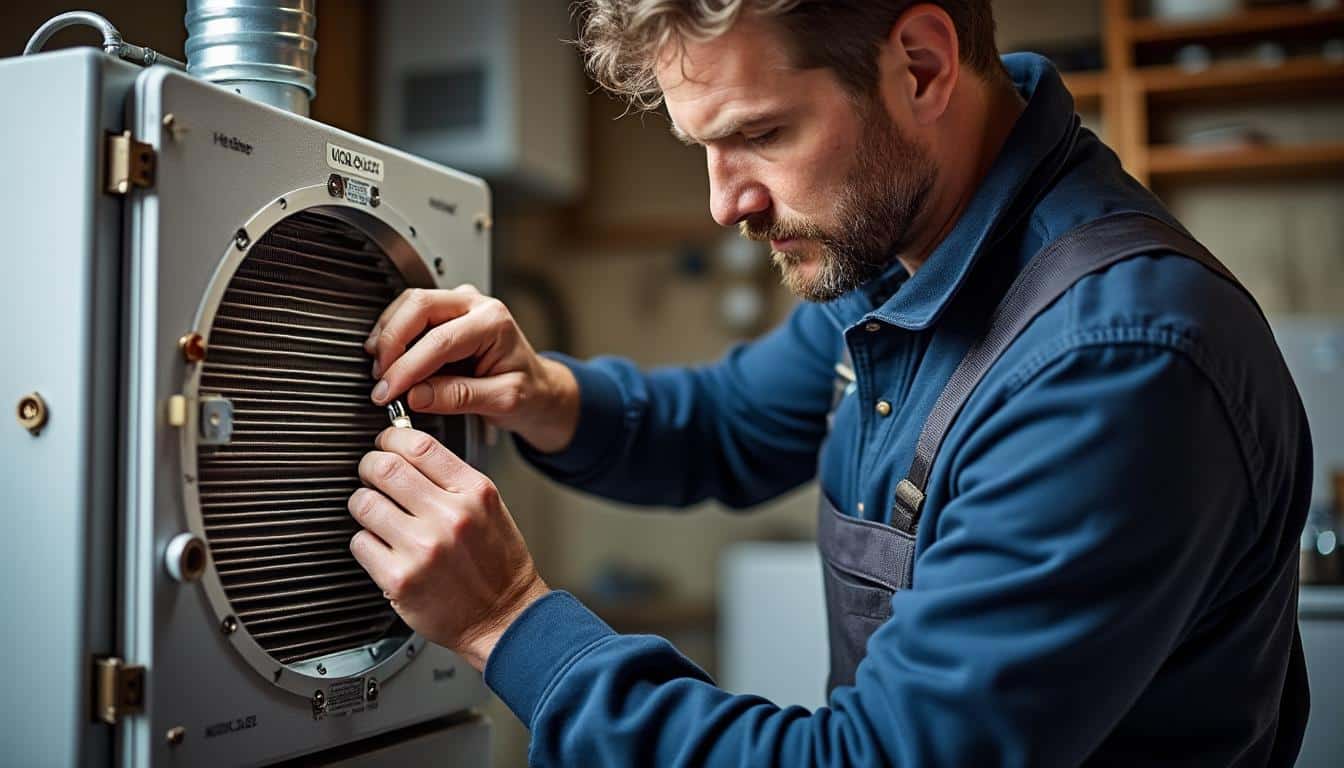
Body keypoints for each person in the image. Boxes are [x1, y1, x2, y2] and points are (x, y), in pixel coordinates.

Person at [346, 1, 1312, 765]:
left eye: (760, 134)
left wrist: (504, 618)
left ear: (922, 65)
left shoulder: (1113, 365)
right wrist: (541, 390)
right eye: (704, 149)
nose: (727, 202)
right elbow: (726, 425)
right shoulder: (904, 248)